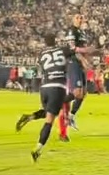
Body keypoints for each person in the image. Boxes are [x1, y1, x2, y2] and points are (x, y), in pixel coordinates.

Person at [17, 34, 78, 162]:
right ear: (55, 41)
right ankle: (37, 149)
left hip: (44, 87)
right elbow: (74, 51)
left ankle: (30, 117)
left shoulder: (41, 54)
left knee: (48, 111)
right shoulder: (63, 49)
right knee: (50, 119)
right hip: (58, 86)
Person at [63, 14, 91, 132]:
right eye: (77, 18)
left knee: (83, 93)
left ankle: (71, 117)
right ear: (73, 19)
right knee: (77, 93)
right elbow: (72, 48)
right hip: (73, 62)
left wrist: (87, 60)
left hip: (81, 64)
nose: (80, 19)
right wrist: (83, 60)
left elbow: (84, 48)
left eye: (81, 18)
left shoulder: (82, 32)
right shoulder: (71, 31)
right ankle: (58, 101)